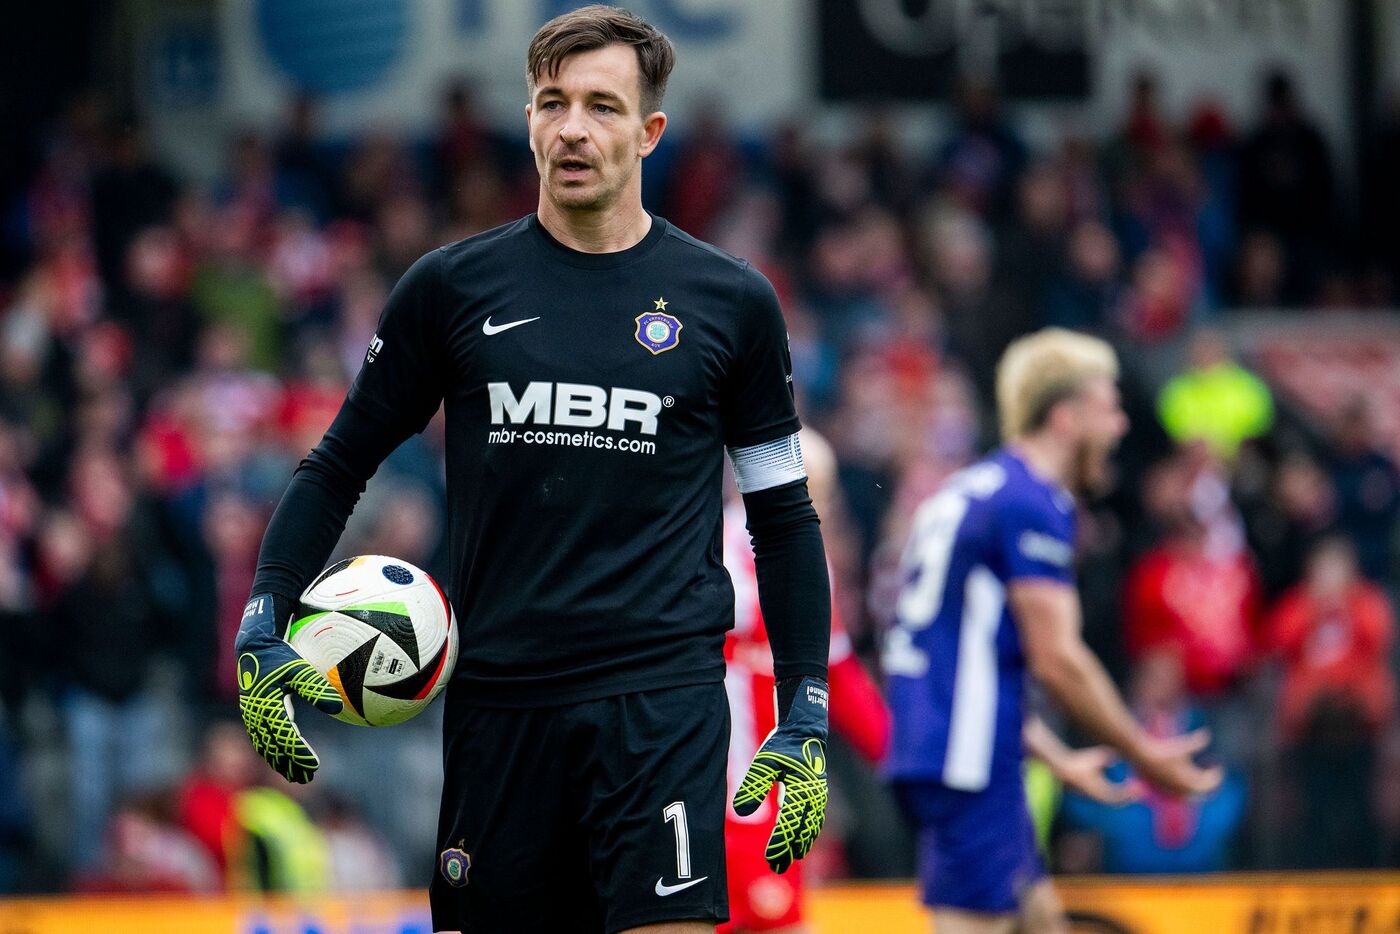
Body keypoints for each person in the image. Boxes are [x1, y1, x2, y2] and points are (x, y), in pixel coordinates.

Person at [232, 7, 832, 933]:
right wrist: (266, 610)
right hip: (500, 705)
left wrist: (805, 707)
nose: (573, 128)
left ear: (649, 132)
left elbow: (784, 517)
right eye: (554, 103)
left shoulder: (733, 303)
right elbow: (339, 462)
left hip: (660, 706)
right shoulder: (450, 289)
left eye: (602, 106)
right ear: (528, 120)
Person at [884, 328, 1222, 934]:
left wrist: (1058, 758)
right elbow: (1058, 659)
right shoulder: (1031, 503)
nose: (1120, 425)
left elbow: (966, 659)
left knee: (1039, 919)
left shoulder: (974, 489)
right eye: (1108, 407)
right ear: (1065, 417)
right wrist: (1143, 754)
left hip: (952, 744)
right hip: (966, 761)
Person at [719, 430, 889, 934]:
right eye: (817, 490)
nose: (824, 507)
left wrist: (896, 755)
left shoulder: (811, 563)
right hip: (730, 783)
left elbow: (838, 671)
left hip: (773, 788)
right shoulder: (715, 551)